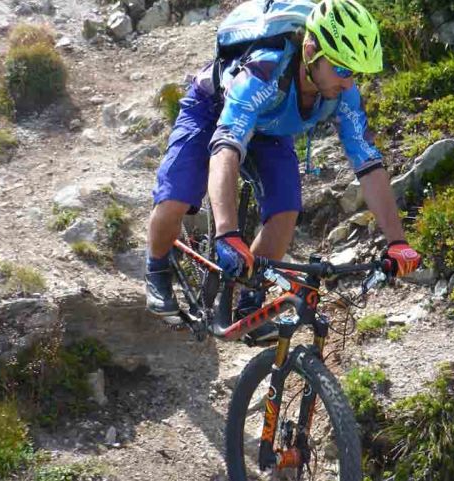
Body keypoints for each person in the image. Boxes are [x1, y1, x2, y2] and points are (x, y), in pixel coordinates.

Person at [145, 0, 421, 341]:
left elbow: (368, 163)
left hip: (269, 129)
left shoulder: (342, 92)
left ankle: (249, 302)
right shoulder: (264, 72)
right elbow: (226, 146)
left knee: (285, 211)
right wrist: (227, 233)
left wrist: (397, 241)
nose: (349, 82)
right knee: (175, 198)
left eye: (355, 72)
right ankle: (156, 269)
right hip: (212, 110)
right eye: (342, 69)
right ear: (311, 51)